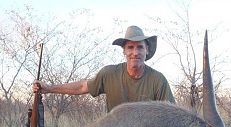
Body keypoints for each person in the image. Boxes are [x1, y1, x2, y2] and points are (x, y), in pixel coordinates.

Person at [33, 25, 175, 112]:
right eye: (130, 47)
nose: (135, 52)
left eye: (140, 47)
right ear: (124, 51)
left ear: (147, 50)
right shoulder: (109, 73)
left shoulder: (158, 80)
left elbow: (171, 114)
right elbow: (82, 87)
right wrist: (48, 88)